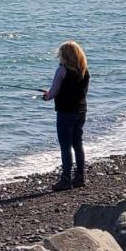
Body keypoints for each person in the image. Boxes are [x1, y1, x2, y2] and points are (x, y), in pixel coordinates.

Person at [41, 40, 89, 191]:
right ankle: (80, 177)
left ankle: (66, 179)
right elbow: (83, 93)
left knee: (65, 146)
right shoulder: (84, 71)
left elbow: (53, 93)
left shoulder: (61, 71)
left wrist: (46, 96)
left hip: (65, 112)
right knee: (77, 144)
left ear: (64, 56)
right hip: (81, 111)